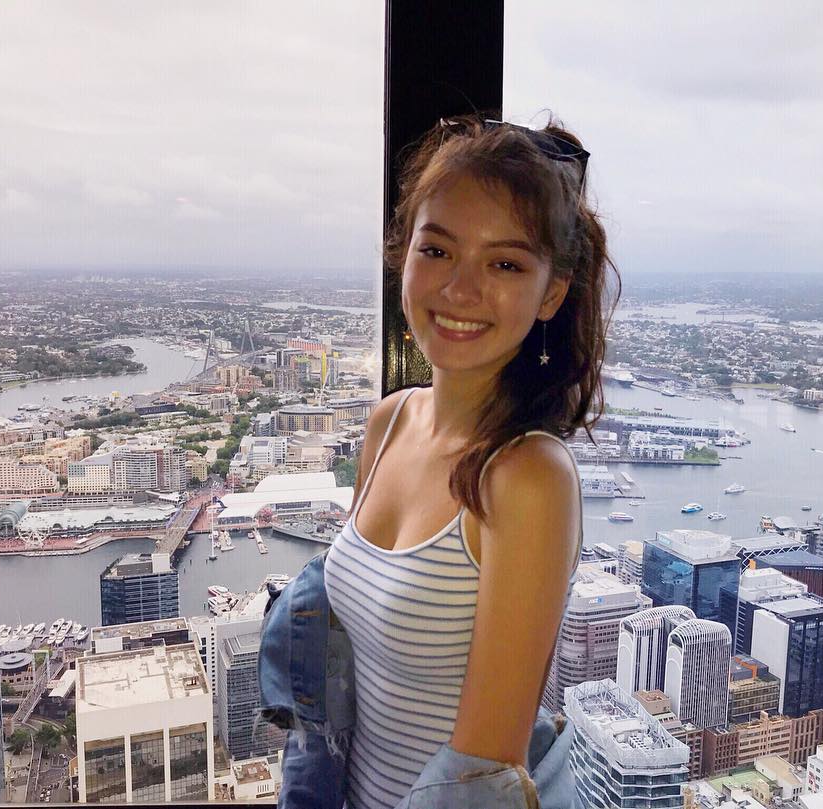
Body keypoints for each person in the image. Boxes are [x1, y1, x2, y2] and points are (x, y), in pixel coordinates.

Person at [260, 113, 617, 809]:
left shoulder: (527, 478)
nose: (460, 289)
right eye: (438, 250)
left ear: (551, 292)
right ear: (404, 254)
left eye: (505, 263)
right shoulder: (389, 423)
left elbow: (478, 780)